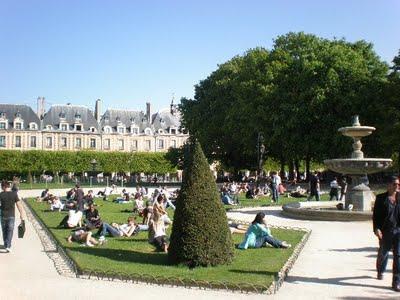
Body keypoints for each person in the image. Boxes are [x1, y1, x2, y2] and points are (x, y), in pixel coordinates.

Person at [372, 176, 400, 291]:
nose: (397, 186)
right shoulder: (380, 198)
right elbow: (376, 217)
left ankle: (396, 282)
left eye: (398, 184)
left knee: (398, 255)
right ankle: (380, 270)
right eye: (394, 184)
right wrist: (377, 229)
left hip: (398, 230)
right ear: (388, 185)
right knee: (383, 253)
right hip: (386, 231)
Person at [0, 180, 26, 253]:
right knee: (10, 231)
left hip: (3, 216)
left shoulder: (1, 194)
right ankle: (7, 245)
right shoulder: (14, 194)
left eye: (1, 186)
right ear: (8, 186)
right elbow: (19, 205)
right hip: (11, 216)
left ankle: (7, 245)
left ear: (4, 186)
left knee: (4, 231)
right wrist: (21, 214)